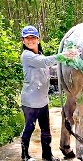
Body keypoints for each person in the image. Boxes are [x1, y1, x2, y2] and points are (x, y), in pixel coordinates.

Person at [20, 25, 78, 161]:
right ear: (23, 41)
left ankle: (47, 156)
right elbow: (45, 62)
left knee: (46, 131)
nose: (30, 41)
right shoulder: (27, 56)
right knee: (29, 128)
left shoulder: (38, 55)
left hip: (43, 101)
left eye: (33, 38)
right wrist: (63, 55)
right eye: (27, 38)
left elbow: (48, 68)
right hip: (30, 102)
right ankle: (25, 156)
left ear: (38, 39)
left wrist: (67, 65)